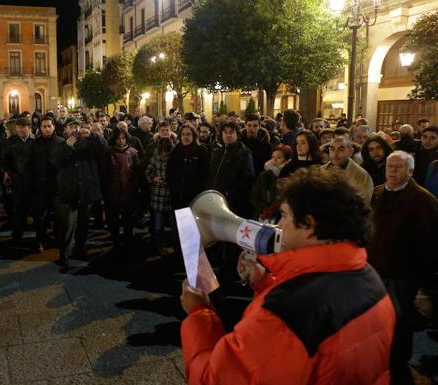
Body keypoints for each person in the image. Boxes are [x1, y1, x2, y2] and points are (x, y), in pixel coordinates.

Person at [180, 167, 395, 385]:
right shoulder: (369, 277)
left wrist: (199, 313)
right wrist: (265, 284)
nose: (278, 226)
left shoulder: (283, 315)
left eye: (283, 216)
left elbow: (215, 379)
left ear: (309, 225)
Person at [367, 150, 438, 383]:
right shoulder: (377, 193)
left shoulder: (423, 200)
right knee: (375, 319)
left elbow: (429, 242)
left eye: (398, 167)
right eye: (390, 166)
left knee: (398, 320)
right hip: (375, 268)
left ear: (411, 171)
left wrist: (420, 272)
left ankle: (398, 365)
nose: (392, 171)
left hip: (402, 273)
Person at [52, 117, 107, 266]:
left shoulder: (89, 144)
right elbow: (56, 162)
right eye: (71, 127)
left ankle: (80, 250)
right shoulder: (60, 144)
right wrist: (67, 148)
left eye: (77, 127)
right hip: (69, 191)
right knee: (67, 225)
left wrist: (93, 135)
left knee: (83, 224)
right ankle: (65, 253)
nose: (75, 130)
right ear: (66, 130)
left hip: (86, 190)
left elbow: (105, 150)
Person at [101, 125, 140, 255]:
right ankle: (116, 243)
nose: (121, 141)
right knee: (113, 222)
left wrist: (135, 189)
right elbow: (104, 174)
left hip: (128, 193)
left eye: (123, 138)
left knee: (128, 221)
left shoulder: (133, 152)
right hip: (112, 194)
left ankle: (128, 243)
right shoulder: (108, 153)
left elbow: (136, 173)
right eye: (118, 138)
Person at [207, 121, 254, 218]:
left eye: (231, 132)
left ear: (237, 134)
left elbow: (247, 179)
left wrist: (229, 193)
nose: (228, 135)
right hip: (215, 200)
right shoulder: (217, 152)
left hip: (234, 204)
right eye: (225, 132)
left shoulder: (244, 153)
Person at [31, 116, 64, 252]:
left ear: (54, 127)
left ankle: (57, 239)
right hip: (40, 187)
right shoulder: (35, 144)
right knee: (41, 217)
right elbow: (30, 165)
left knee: (58, 215)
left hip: (57, 186)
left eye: (49, 126)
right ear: (40, 128)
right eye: (44, 126)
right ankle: (40, 240)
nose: (47, 129)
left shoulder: (61, 142)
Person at [3, 117, 34, 245]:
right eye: (18, 127)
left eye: (23, 127)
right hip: (17, 182)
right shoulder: (10, 142)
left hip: (33, 183)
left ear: (29, 128)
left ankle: (37, 240)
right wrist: (12, 175)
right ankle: (17, 238)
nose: (20, 129)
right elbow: (5, 161)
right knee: (18, 211)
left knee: (35, 212)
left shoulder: (35, 142)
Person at [321, 136, 374, 204]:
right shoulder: (320, 171)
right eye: (332, 149)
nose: (335, 154)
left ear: (350, 152)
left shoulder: (362, 176)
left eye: (341, 150)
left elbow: (363, 205)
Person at [250, 144, 293, 220]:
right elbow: (254, 196)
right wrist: (263, 208)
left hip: (281, 218)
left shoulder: (289, 177)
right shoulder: (264, 175)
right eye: (273, 157)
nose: (274, 160)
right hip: (262, 216)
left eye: (279, 157)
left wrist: (274, 210)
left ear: (286, 160)